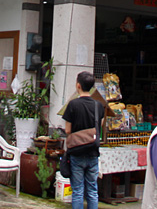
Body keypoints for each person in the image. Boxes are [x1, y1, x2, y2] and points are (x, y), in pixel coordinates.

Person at [62, 71, 106, 209]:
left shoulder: (73, 105)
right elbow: (101, 125)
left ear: (78, 85)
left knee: (78, 191)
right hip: (93, 152)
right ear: (92, 87)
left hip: (77, 152)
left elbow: (68, 130)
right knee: (92, 190)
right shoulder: (99, 105)